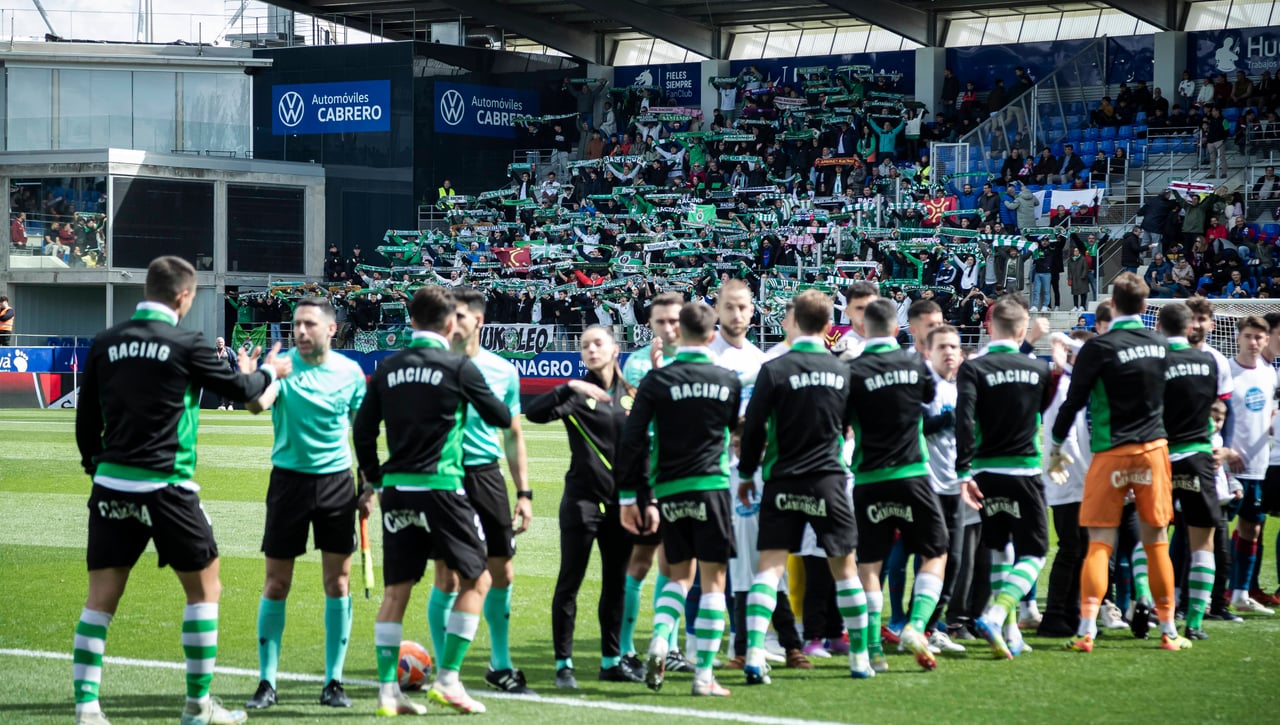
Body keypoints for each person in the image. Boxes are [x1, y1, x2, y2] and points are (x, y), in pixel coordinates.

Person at [72, 255, 291, 725]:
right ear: (184, 296)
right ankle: (197, 706)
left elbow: (86, 420)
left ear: (147, 290)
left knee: (100, 600)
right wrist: (270, 371)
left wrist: (97, 468)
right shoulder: (186, 342)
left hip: (113, 484)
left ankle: (87, 708)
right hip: (168, 485)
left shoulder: (106, 342)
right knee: (205, 590)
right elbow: (241, 388)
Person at [352, 286, 513, 716]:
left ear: (411, 320)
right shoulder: (458, 366)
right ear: (448, 324)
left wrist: (375, 476)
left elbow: (363, 431)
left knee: (396, 592)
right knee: (478, 579)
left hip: (399, 490)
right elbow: (500, 416)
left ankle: (388, 692)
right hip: (442, 487)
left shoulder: (388, 366)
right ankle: (449, 680)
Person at [1048, 272, 1192, 652]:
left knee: (1099, 543)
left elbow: (1073, 400)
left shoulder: (1098, 347)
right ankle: (1168, 631)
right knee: (1156, 542)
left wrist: (1057, 444)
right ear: (1146, 308)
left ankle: (1086, 631)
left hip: (1110, 453)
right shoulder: (1161, 345)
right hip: (1152, 451)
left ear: (1113, 305)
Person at [736, 290, 872, 684]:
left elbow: (755, 427)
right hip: (829, 478)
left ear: (794, 321)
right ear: (830, 326)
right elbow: (849, 425)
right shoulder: (845, 371)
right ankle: (860, 658)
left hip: (782, 479)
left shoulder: (774, 368)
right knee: (846, 570)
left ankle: (756, 654)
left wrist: (746, 475)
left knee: (769, 570)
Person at [242, 298, 368, 711]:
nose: (300, 331)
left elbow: (361, 434)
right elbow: (257, 406)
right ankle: (266, 683)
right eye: (297, 324)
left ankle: (334, 682)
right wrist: (250, 380)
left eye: (310, 324)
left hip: (336, 485)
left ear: (331, 329)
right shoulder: (284, 367)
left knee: (339, 583)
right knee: (277, 583)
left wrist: (367, 487)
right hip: (288, 484)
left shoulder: (350, 373)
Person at [617, 302, 741, 697]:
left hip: (668, 489)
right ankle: (703, 676)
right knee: (713, 582)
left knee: (677, 573)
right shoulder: (727, 378)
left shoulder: (656, 381)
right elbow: (732, 432)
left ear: (680, 332)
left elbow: (633, 439)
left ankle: (658, 638)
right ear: (710, 335)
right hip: (711, 485)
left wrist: (629, 495)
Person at [526, 326, 644, 687]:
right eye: (585, 345)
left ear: (615, 349)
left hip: (620, 505)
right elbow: (533, 413)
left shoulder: (632, 397)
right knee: (569, 583)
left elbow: (642, 453)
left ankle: (611, 661)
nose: (591, 350)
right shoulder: (577, 393)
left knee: (615, 585)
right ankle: (564, 664)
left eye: (598, 343)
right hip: (581, 502)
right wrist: (569, 387)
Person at [430, 287, 534, 694]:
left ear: (479, 321)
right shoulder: (433, 365)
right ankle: (444, 671)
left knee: (501, 571)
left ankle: (500, 664)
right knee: (447, 576)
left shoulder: (503, 371)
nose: (453, 323)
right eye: (448, 316)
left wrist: (524, 492)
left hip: (487, 476)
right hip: (444, 476)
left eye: (460, 316)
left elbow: (513, 435)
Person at [844, 298, 945, 673]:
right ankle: (916, 626)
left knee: (869, 565)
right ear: (895, 327)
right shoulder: (912, 364)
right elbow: (930, 399)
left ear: (865, 328)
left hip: (868, 479)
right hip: (911, 473)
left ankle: (872, 648)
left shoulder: (851, 371)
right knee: (935, 552)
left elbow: (843, 423)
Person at [955, 295, 1054, 659]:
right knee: (1035, 552)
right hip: (1024, 470)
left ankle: (1010, 632)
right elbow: (1040, 411)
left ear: (990, 325)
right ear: (1023, 329)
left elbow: (963, 421)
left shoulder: (974, 367)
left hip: (983, 471)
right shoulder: (1039, 368)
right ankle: (997, 615)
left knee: (1000, 548)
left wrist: (964, 470)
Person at [618, 292, 696, 677]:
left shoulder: (698, 358)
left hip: (685, 475)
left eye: (675, 321)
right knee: (640, 560)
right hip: (649, 476)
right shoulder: (635, 365)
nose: (668, 328)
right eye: (661, 321)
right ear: (649, 324)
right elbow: (637, 429)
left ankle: (670, 645)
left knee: (678, 563)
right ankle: (626, 647)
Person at [1155, 303, 1230, 639]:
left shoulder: (1155, 361)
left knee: (1154, 539)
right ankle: (1196, 622)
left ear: (1158, 325)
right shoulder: (1210, 361)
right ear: (1188, 327)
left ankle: (1158, 614)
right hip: (1199, 456)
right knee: (1203, 543)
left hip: (1161, 454)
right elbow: (1214, 406)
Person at [1220, 315, 1279, 615]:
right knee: (1208, 530)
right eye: (1248, 336)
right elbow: (1212, 414)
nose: (1254, 342)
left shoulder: (1270, 373)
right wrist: (1226, 450)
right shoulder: (1226, 371)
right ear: (1238, 337)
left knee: (1251, 530)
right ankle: (1199, 593)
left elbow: (1267, 410)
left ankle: (1241, 592)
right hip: (1226, 468)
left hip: (1258, 466)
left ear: (1266, 340)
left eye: (1259, 337)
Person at [1036, 331, 1093, 637]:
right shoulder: (1061, 384)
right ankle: (1054, 614)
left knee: (1083, 548)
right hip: (1067, 477)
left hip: (1087, 478)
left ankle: (1071, 611)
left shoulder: (1088, 384)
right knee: (1071, 547)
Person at [212, 337, 235, 410]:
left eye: (221, 342)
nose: (220, 343)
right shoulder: (213, 351)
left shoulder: (228, 350)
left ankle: (230, 405)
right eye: (219, 342)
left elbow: (234, 360)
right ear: (216, 343)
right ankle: (222, 405)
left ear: (224, 343)